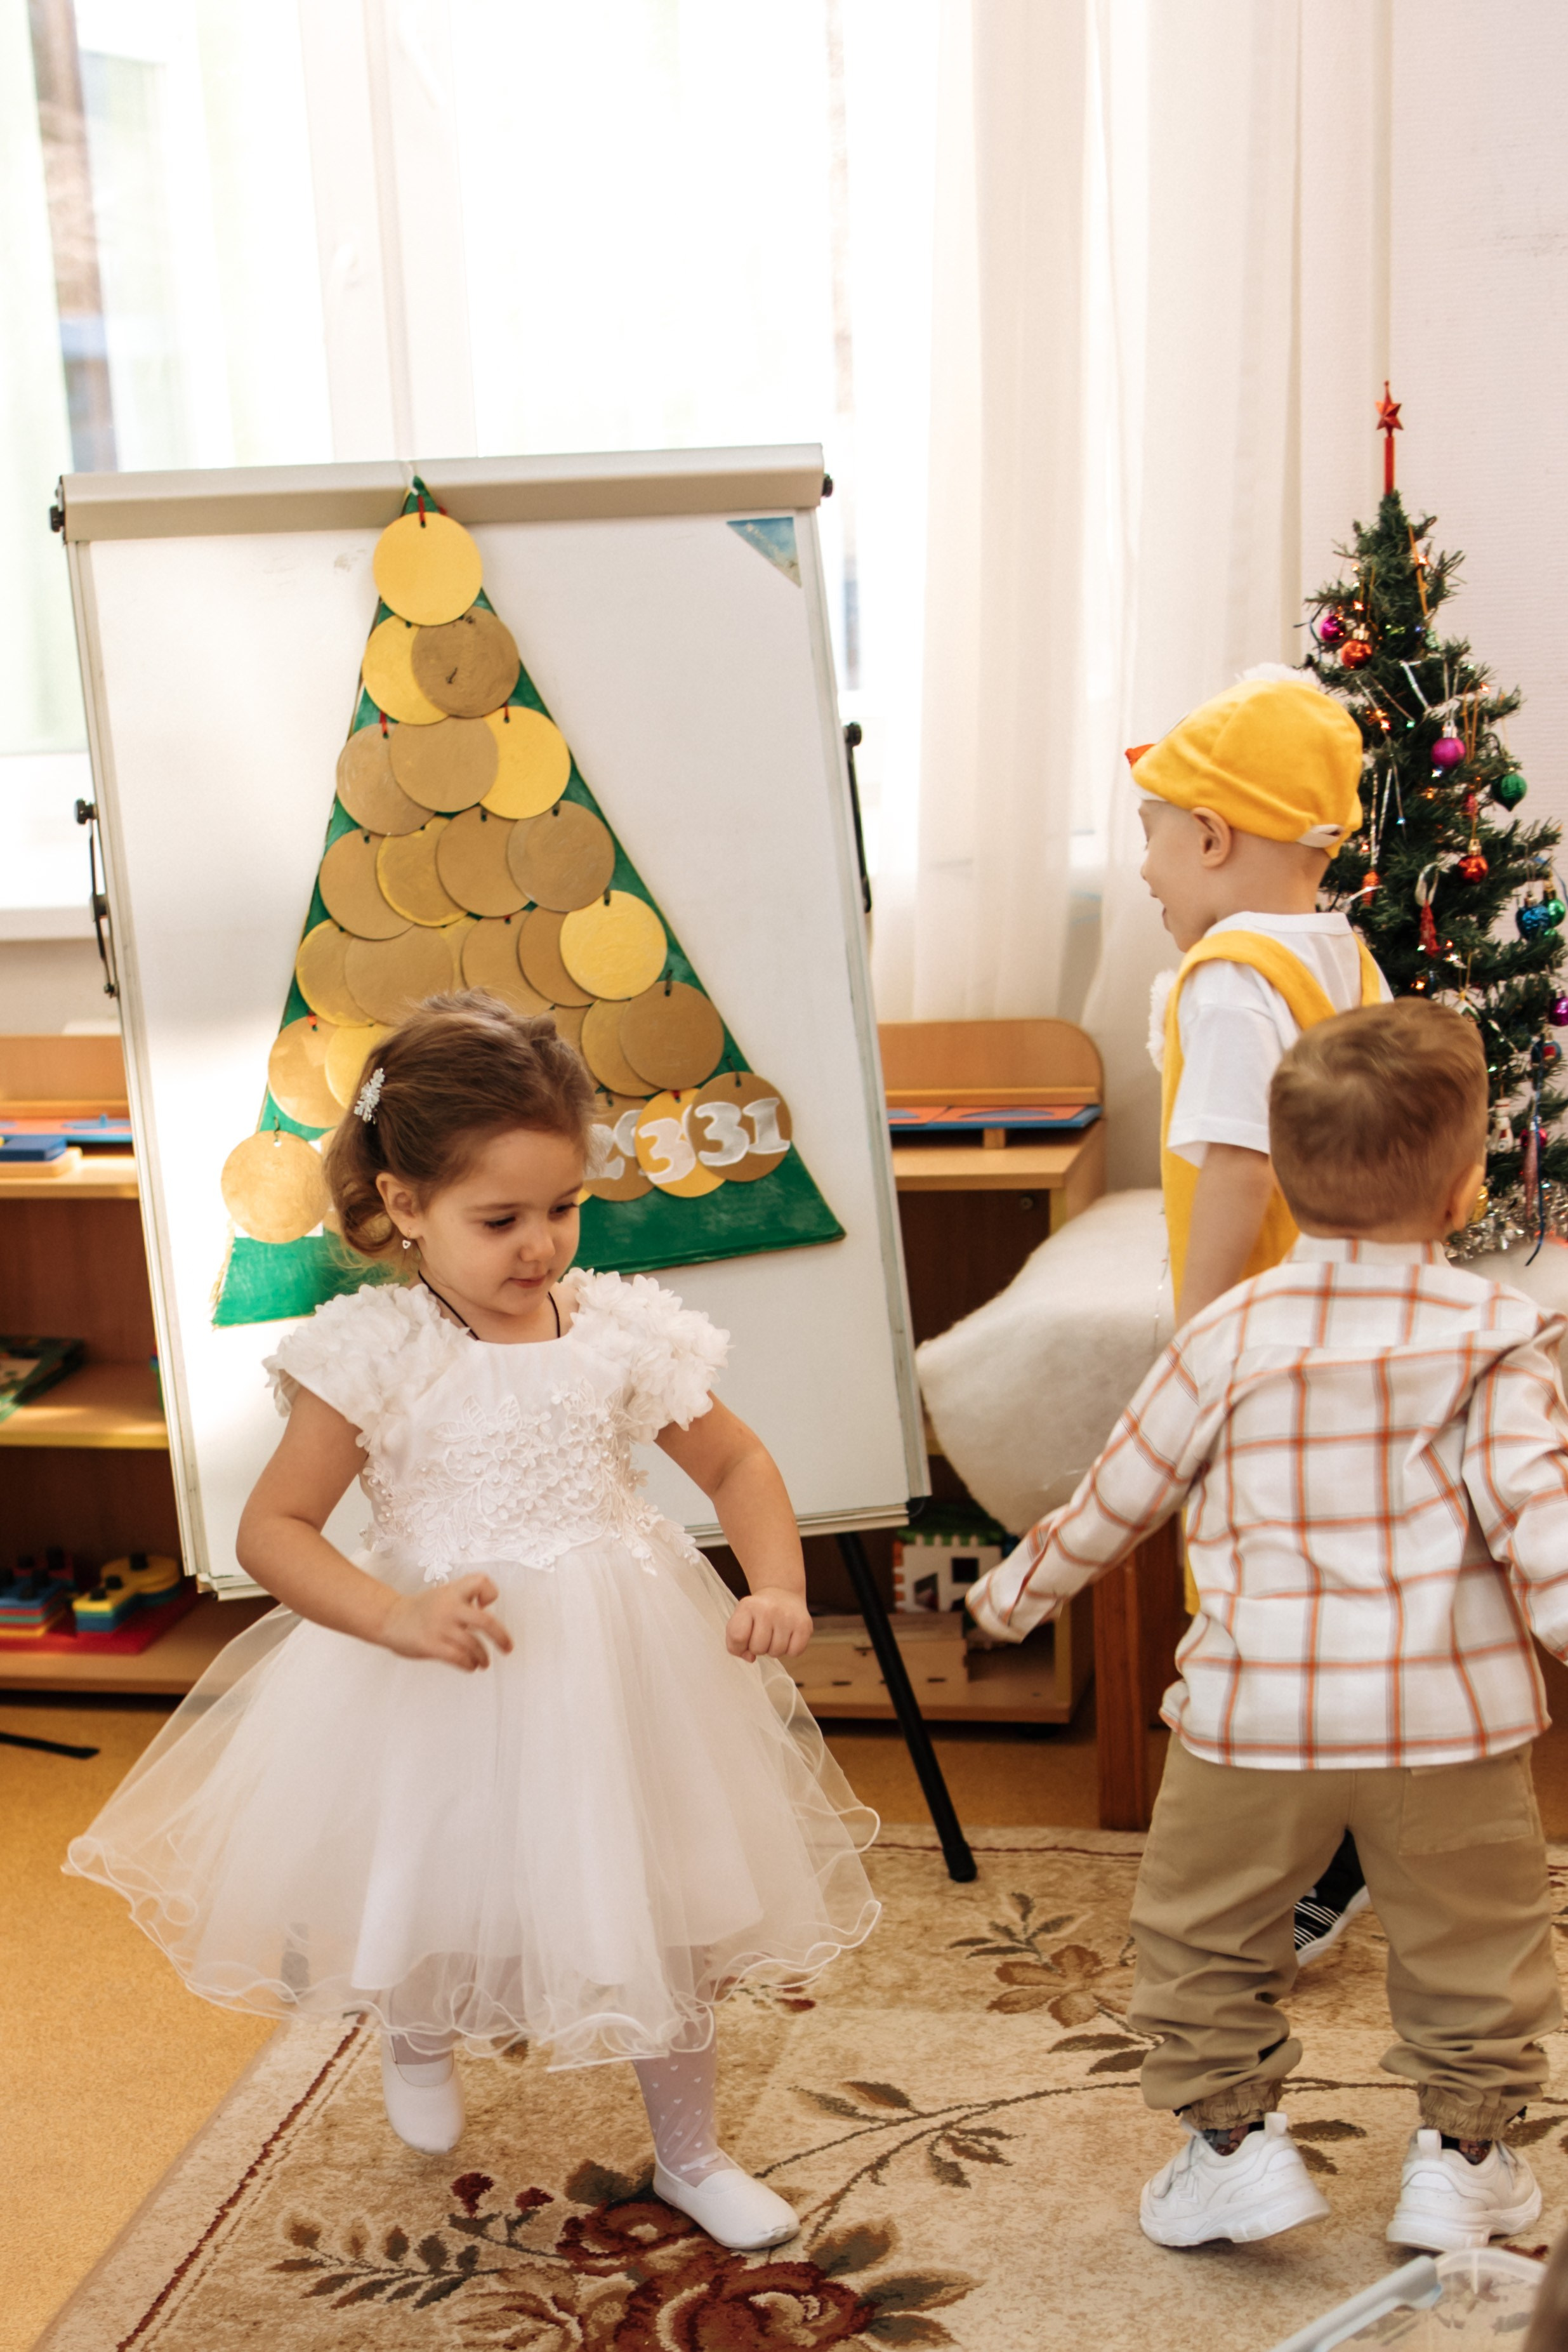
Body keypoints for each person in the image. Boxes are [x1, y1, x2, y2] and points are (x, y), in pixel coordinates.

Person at [67, 993, 878, 2253]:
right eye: (500, 1219)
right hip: (443, 1654)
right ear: (403, 1204)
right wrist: (392, 1613)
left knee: (658, 1895)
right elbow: (275, 1529)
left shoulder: (617, 1325)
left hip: (623, 1657)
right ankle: (417, 2022)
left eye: (562, 1208)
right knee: (430, 1863)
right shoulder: (375, 1347)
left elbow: (739, 1466)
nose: (541, 1243)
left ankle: (693, 2151)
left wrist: (777, 1582)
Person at [968, 1000, 1568, 2257]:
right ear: (1464, 1187)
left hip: (1256, 1715)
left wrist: (1017, 1590)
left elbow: (1117, 1492)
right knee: (1478, 1939)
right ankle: (1463, 2162)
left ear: (1285, 1182)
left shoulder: (1227, 1333)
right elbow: (1543, 1524)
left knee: (1201, 1929)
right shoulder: (1502, 1337)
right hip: (1445, 1721)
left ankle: (1232, 2152)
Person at [1136, 666, 1390, 1963]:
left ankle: (1305, 1862)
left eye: (1156, 844)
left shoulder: (1228, 980)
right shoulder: (1345, 953)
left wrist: (1198, 1339)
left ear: (1217, 836)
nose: (1150, 878)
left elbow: (1236, 1165)